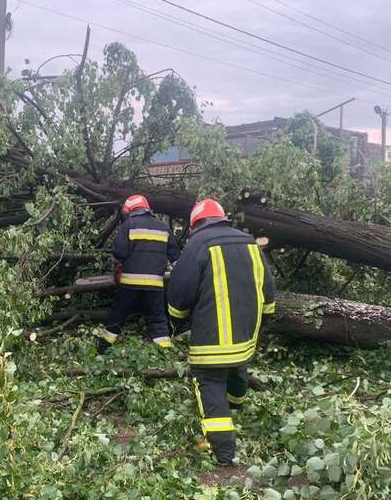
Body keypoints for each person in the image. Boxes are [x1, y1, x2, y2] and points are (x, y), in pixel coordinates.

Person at [167, 198, 276, 465]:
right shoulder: (249, 242)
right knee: (237, 364)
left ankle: (223, 451)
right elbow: (268, 285)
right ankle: (237, 404)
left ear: (196, 224)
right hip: (246, 333)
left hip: (212, 336)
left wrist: (175, 318)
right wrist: (266, 316)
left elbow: (180, 290)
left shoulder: (198, 244)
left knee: (209, 381)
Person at [98, 195, 179, 353]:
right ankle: (164, 353)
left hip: (129, 284)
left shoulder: (128, 226)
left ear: (130, 210)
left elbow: (119, 253)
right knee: (157, 319)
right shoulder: (163, 228)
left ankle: (103, 350)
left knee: (117, 317)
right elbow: (175, 255)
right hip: (155, 285)